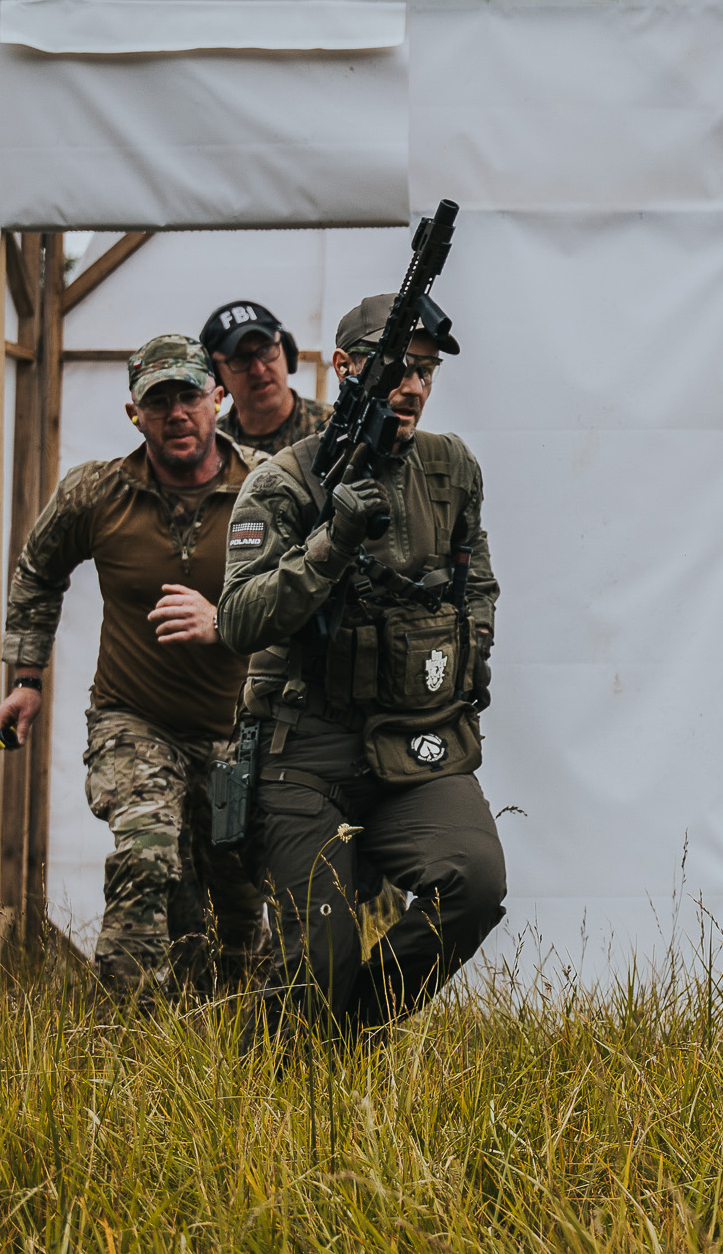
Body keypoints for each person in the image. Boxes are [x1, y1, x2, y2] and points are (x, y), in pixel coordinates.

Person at [219, 293, 504, 1040]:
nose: (413, 386)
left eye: (426, 371)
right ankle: (275, 1085)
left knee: (473, 885)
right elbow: (238, 619)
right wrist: (331, 542)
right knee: (319, 954)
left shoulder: (450, 467)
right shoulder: (284, 481)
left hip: (415, 741)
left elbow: (475, 580)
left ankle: (351, 1036)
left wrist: (469, 649)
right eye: (397, 368)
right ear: (346, 368)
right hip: (302, 750)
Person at [0, 335, 265, 996]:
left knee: (236, 901)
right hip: (134, 720)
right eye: (158, 401)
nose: (176, 414)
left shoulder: (267, 489)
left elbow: (310, 588)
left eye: (189, 396)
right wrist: (26, 680)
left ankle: (230, 1024)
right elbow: (36, 573)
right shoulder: (97, 492)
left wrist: (226, 621)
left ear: (218, 399)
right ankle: (122, 1032)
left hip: (241, 730)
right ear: (133, 413)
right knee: (146, 855)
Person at [200, 299, 331, 455]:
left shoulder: (336, 430)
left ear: (287, 350)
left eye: (266, 349)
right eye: (240, 358)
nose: (258, 370)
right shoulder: (208, 448)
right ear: (216, 375)